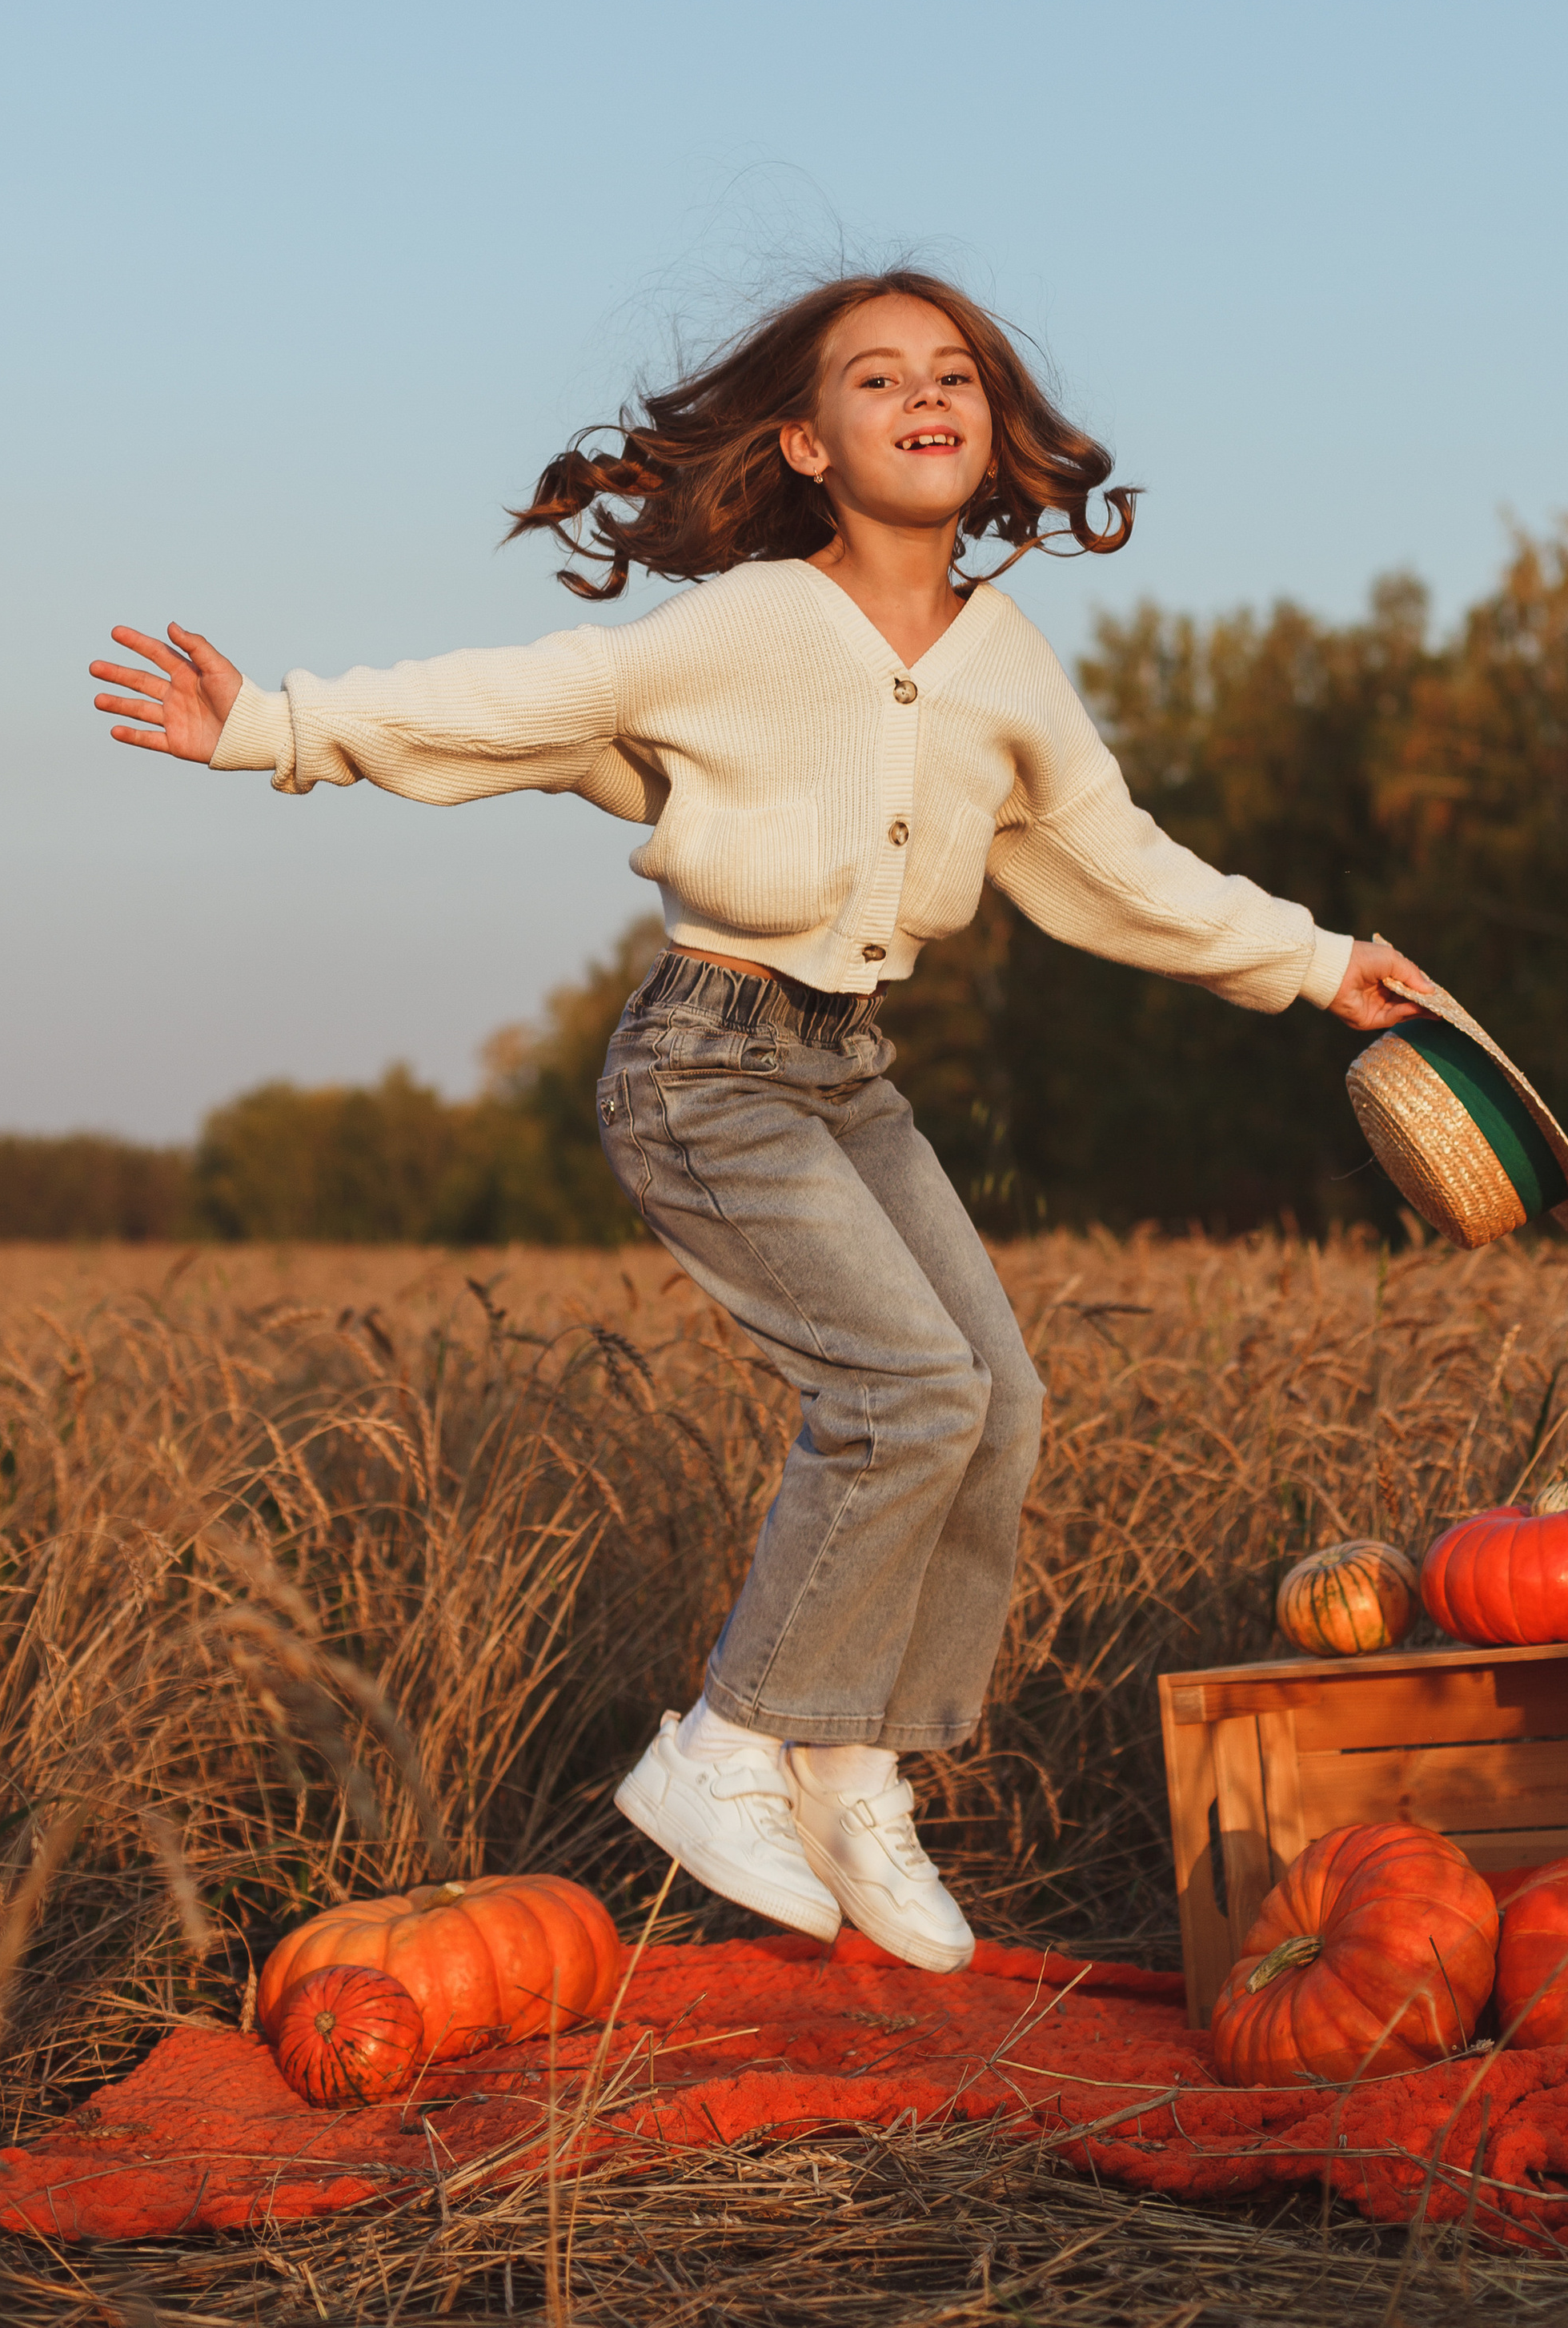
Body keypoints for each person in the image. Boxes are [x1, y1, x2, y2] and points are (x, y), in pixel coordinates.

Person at [91, 268, 1431, 1973]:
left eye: (953, 374)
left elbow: (1115, 868)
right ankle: (727, 1748)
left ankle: (855, 1772)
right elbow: (536, 699)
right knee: (904, 1391)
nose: (926, 397)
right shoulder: (747, 625)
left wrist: (1319, 967)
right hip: (705, 1066)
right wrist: (276, 726)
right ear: (808, 441)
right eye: (879, 380)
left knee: (995, 1404)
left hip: (842, 1071)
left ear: (992, 425)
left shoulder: (1004, 664)